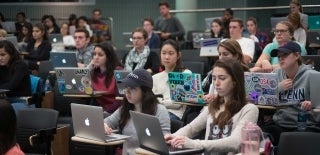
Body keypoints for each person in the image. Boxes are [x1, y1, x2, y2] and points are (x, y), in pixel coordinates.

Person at [164, 58, 259, 154]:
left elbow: (235, 143)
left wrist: (193, 144)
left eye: (222, 78)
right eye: (214, 78)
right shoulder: (213, 105)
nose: (216, 83)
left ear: (235, 81)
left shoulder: (249, 109)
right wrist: (174, 136)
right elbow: (192, 128)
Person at [262, 41, 320, 146]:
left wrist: (313, 104)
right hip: (280, 124)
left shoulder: (313, 76)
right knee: (260, 133)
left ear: (297, 55)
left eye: (285, 54)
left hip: (306, 126)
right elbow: (261, 98)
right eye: (279, 56)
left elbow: (318, 104)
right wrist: (278, 88)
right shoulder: (274, 75)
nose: (281, 58)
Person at [104, 69, 170, 155]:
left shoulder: (160, 111)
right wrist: (104, 126)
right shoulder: (125, 108)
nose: (127, 92)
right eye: (126, 87)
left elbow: (166, 141)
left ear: (145, 91)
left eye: (132, 88)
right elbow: (106, 122)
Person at [152, 39, 191, 120]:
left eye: (171, 53)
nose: (166, 57)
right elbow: (151, 100)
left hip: (174, 115)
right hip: (156, 112)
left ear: (178, 55)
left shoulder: (185, 74)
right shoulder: (155, 77)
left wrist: (160, 102)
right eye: (163, 53)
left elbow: (177, 103)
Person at [89, 42, 122, 114]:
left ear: (108, 57)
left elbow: (120, 99)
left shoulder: (118, 72)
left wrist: (106, 112)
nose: (96, 57)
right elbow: (84, 90)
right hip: (100, 111)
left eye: (100, 55)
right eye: (94, 54)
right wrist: (89, 67)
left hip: (116, 111)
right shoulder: (93, 72)